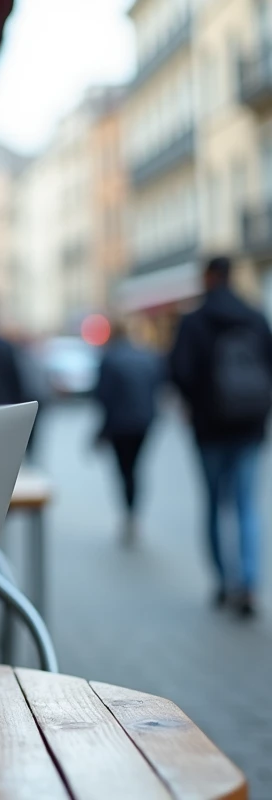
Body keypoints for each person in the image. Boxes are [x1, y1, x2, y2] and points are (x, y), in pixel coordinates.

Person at [169, 255, 272, 619]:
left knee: (215, 504)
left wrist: (196, 402)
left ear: (208, 277)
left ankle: (223, 582)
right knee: (246, 505)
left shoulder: (194, 321)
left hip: (209, 428)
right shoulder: (255, 317)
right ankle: (248, 583)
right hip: (250, 427)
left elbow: (179, 371)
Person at [93, 319, 163, 546]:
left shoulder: (110, 359)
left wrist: (102, 431)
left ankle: (129, 514)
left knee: (125, 470)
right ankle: (133, 514)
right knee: (135, 468)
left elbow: (102, 396)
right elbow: (158, 387)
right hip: (144, 422)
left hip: (120, 424)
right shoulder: (147, 356)